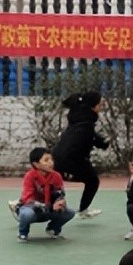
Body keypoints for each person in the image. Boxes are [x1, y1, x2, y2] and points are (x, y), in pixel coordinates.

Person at [52, 90, 109, 218]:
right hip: (68, 161)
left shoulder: (80, 119)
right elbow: (90, 137)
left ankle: (83, 210)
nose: (101, 107)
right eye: (100, 104)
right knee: (93, 180)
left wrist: (101, 142)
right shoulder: (86, 123)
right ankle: (83, 211)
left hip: (61, 158)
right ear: (93, 106)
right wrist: (103, 143)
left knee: (51, 183)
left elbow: (90, 136)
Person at [16, 147, 75, 242]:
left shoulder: (56, 176)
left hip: (49, 209)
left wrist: (59, 202)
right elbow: (28, 200)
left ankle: (53, 229)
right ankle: (23, 233)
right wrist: (50, 207)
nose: (51, 162)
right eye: (46, 160)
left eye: (51, 159)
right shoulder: (30, 176)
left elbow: (60, 193)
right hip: (33, 209)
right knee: (26, 214)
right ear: (36, 164)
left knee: (69, 213)